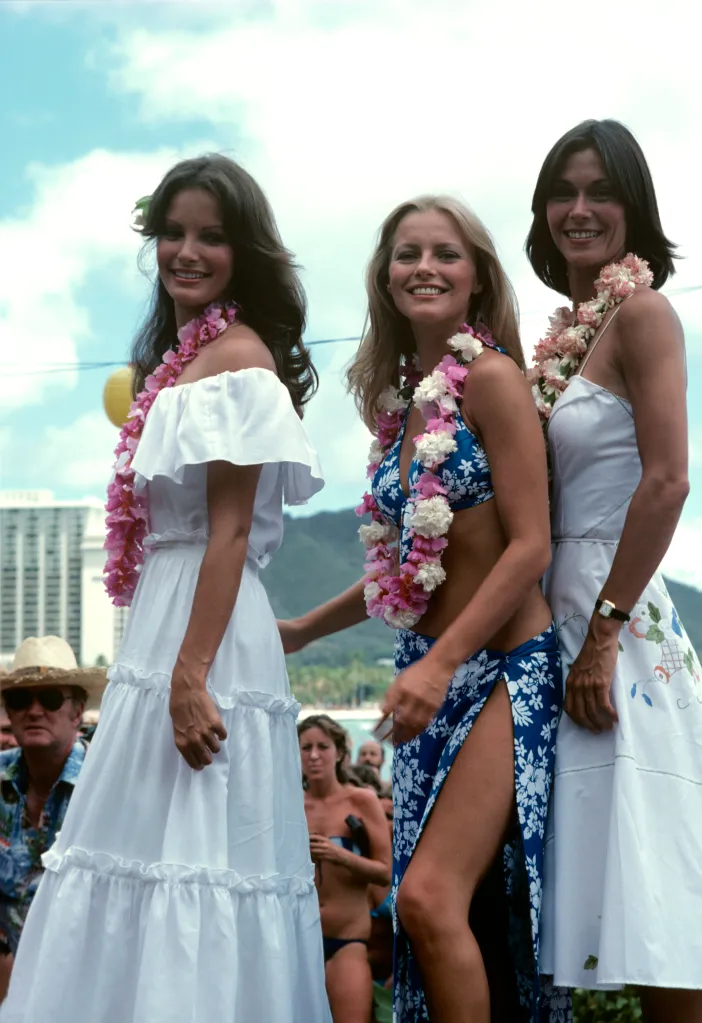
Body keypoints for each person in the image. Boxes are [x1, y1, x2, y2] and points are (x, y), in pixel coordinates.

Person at [0, 155, 330, 1023]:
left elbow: (227, 531)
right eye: (173, 233)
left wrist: (191, 673)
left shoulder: (239, 356)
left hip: (205, 626)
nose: (187, 251)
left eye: (211, 237)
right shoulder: (178, 358)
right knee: (136, 847)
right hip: (163, 614)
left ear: (244, 250)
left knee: (204, 852)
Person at [280, 196, 566, 1023]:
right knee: (447, 910)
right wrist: (301, 629)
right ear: (385, 277)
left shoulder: (494, 379)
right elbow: (403, 576)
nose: (425, 267)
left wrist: (442, 666)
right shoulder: (403, 413)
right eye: (408, 253)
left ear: (477, 276)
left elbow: (530, 547)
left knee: (429, 899)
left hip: (506, 670)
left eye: (446, 252)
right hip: (430, 675)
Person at [526, 118, 702, 1023]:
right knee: (609, 899)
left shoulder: (642, 312)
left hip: (616, 625)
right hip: (555, 622)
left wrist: (602, 634)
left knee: (657, 906)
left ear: (635, 208)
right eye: (564, 190)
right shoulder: (563, 340)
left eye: (602, 192)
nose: (580, 209)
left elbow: (669, 480)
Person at [0, 637, 104, 1001]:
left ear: (77, 711)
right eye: (19, 700)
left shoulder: (105, 783)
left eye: (50, 699)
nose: (34, 710)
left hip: (87, 981)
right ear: (8, 713)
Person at [299, 715, 391, 1023]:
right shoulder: (290, 804)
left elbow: (385, 872)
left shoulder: (361, 801)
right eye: (305, 747)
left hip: (346, 940)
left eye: (322, 747)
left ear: (339, 752)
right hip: (296, 938)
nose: (314, 755)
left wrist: (342, 856)